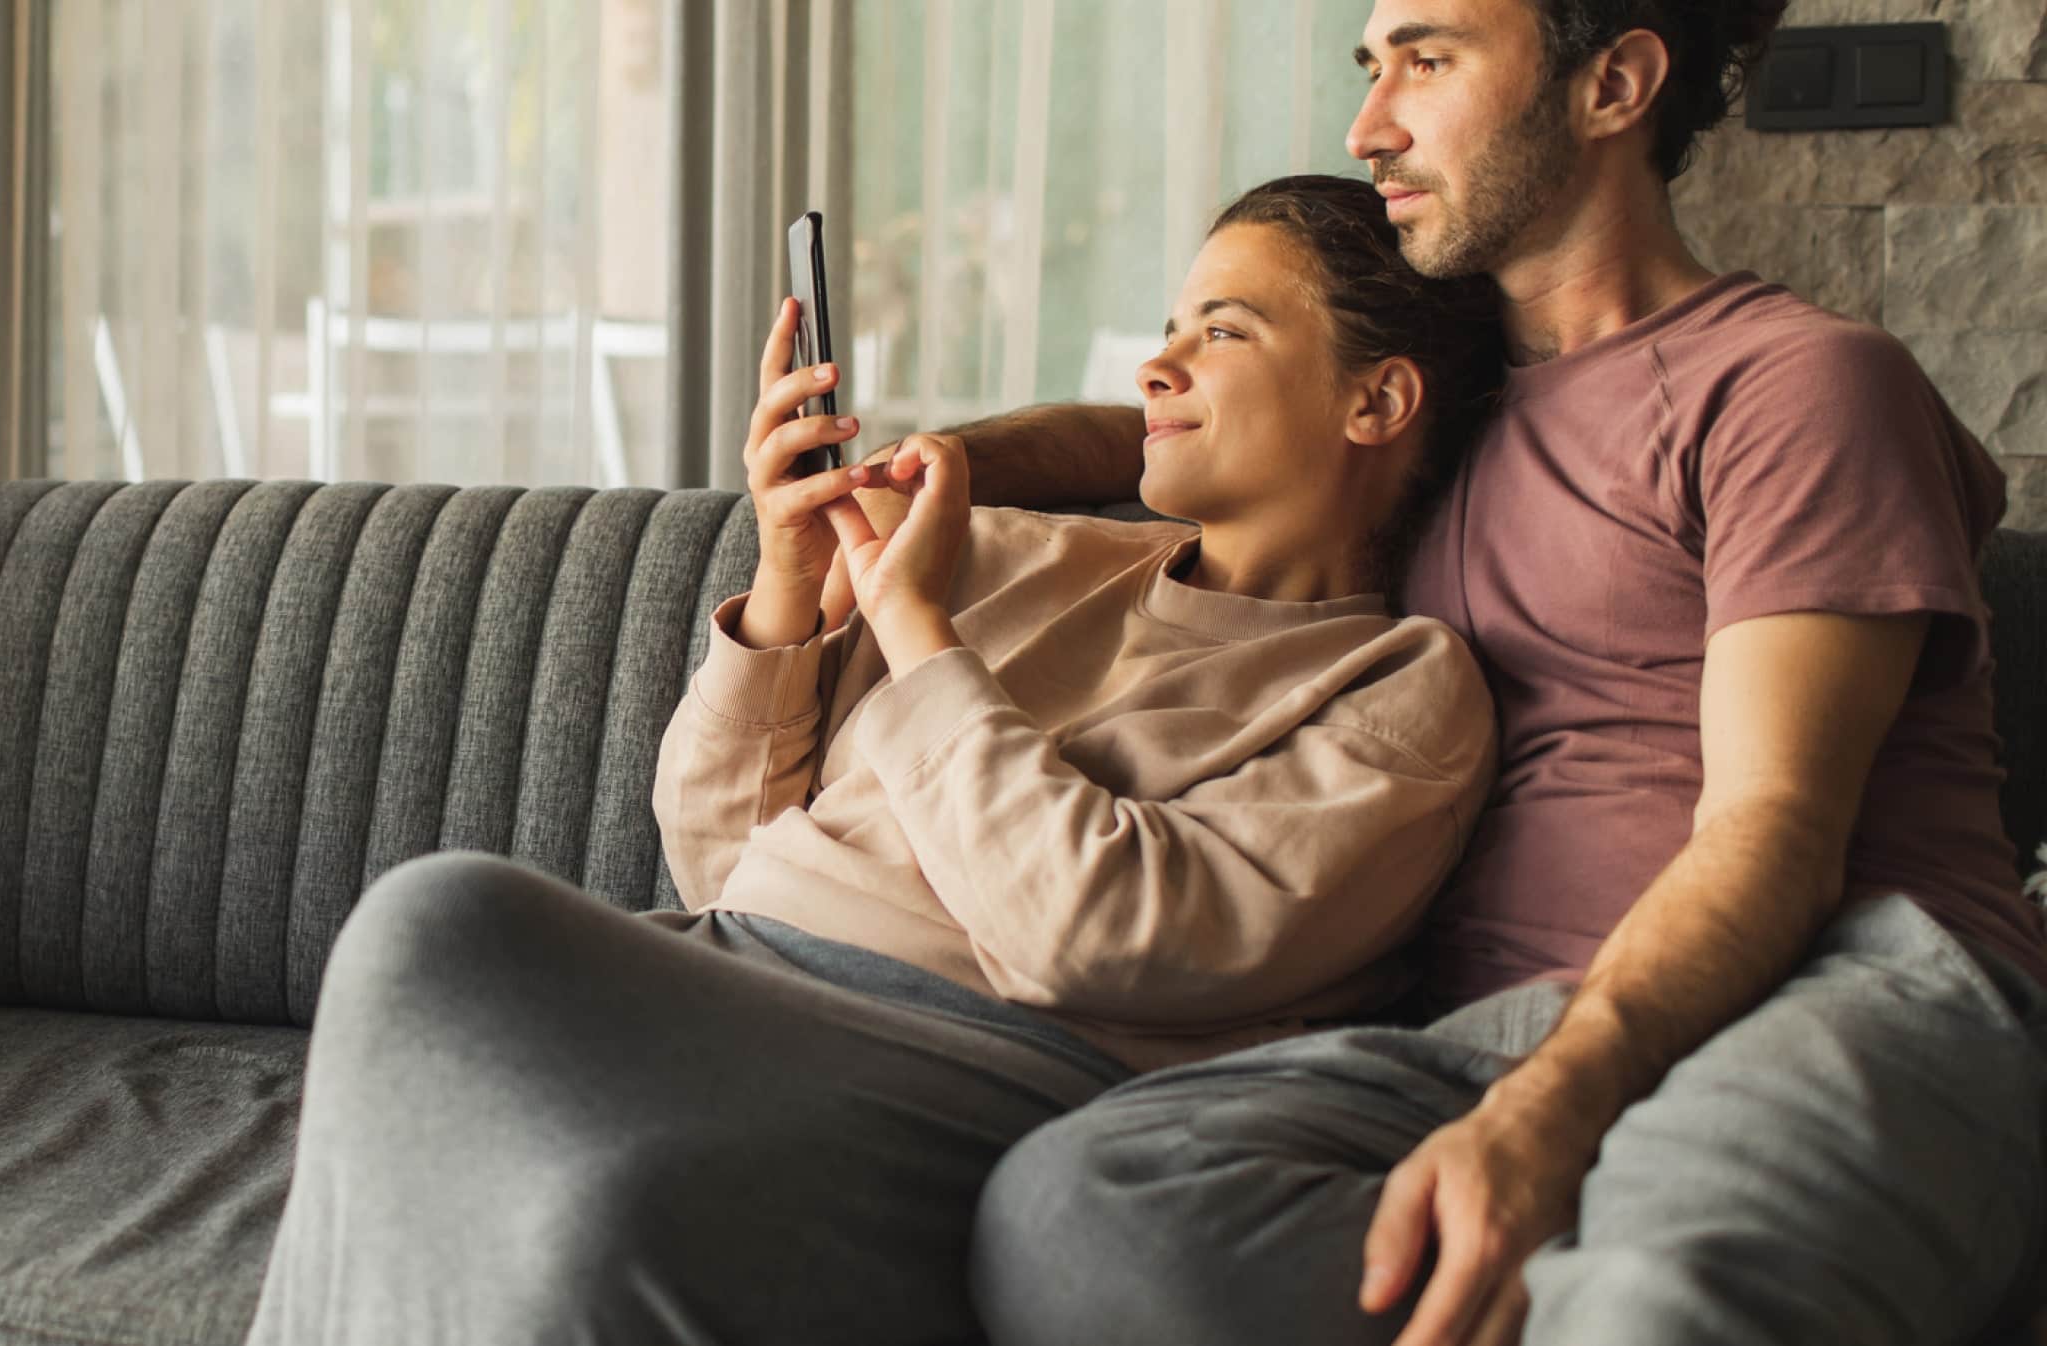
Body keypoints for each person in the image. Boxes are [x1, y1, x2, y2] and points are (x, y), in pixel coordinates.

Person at [862, 3, 2047, 1344]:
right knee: (1078, 1211)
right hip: (1481, 1031)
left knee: (1660, 1304)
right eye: (1370, 69)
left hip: (1839, 976)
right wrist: (930, 469)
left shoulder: (1796, 385)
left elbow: (1778, 830)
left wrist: (1549, 1115)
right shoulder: (1445, 406)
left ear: (1614, 83)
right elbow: (1182, 425)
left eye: (1428, 61)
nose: (1369, 126)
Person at [239, 173, 1507, 1344]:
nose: (1157, 365)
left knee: (444, 933)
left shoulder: (1396, 687)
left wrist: (913, 628)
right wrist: (791, 582)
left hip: (977, 1060)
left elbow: (1104, 929)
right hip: (733, 973)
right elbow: (719, 851)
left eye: (1222, 331)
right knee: (454, 962)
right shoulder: (1021, 553)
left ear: (1377, 400)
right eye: (1170, 324)